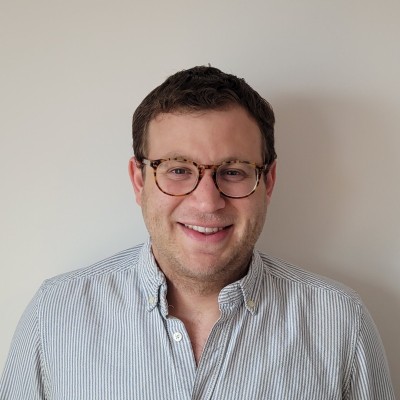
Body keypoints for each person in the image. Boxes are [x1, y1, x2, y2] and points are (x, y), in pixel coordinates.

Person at [0, 66, 395, 399]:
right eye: (178, 170)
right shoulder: (54, 316)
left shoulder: (342, 323)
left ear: (268, 181)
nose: (207, 202)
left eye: (233, 171)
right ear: (139, 181)